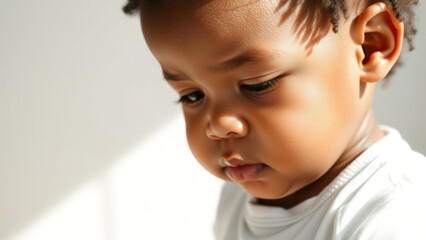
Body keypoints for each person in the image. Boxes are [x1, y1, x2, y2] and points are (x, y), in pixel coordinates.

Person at [123, 0, 426, 239]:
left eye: (258, 85)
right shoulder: (236, 201)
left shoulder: (396, 218)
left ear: (371, 47)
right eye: (192, 96)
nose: (217, 125)